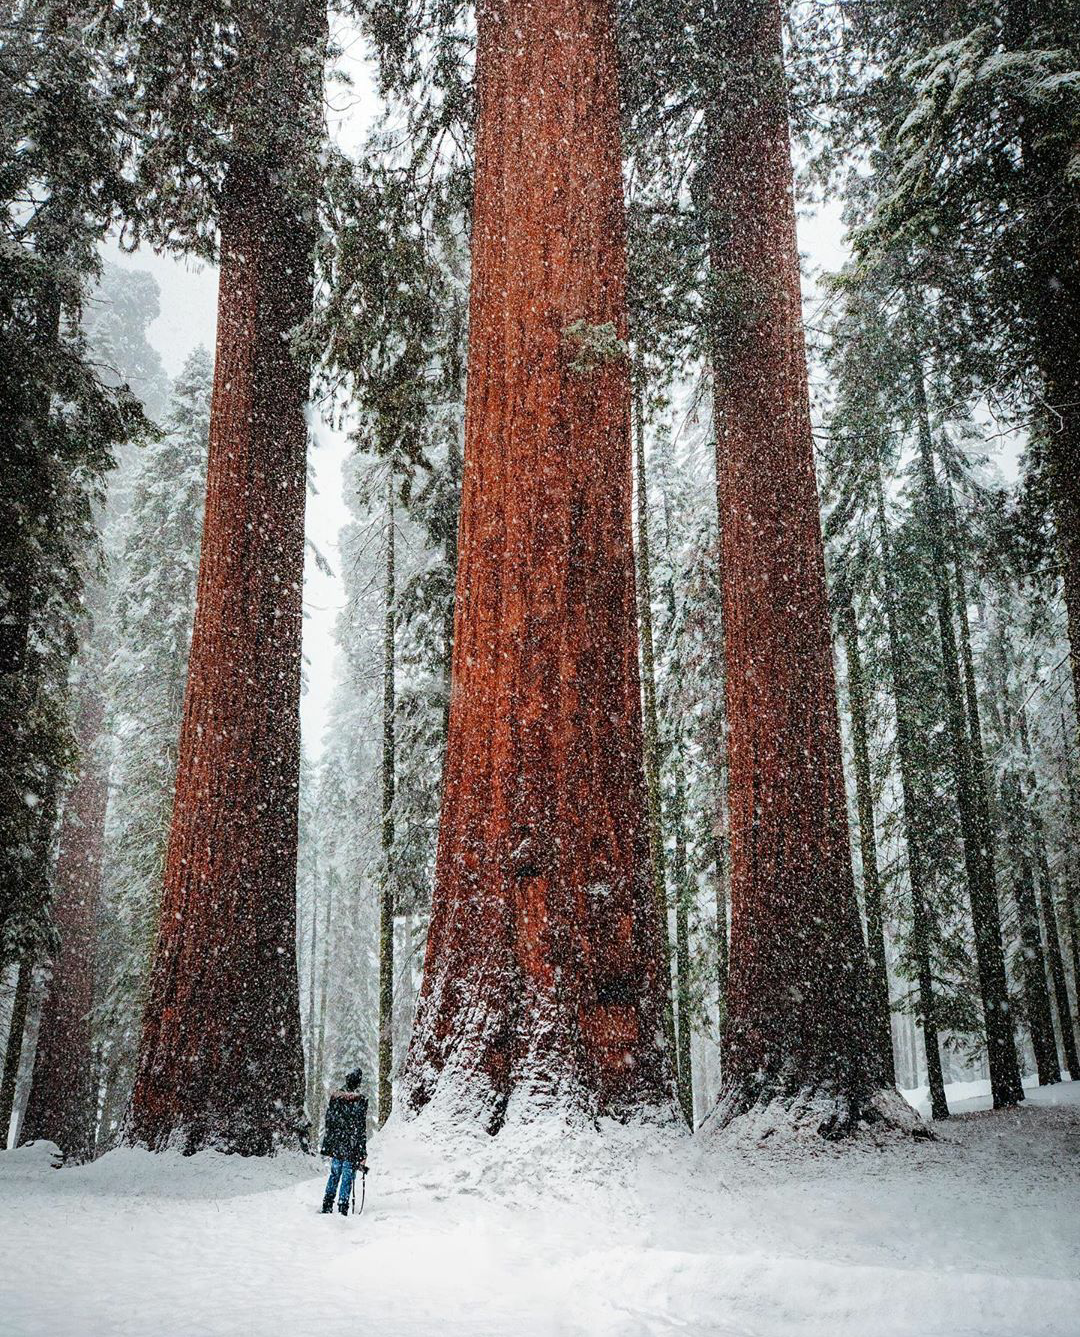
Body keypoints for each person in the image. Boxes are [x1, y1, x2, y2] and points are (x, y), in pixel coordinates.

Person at [320, 1067, 368, 1215]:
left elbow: (330, 1121)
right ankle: (342, 1206)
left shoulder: (335, 1098)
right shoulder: (360, 1100)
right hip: (351, 1145)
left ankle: (327, 1204)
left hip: (337, 1144)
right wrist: (362, 1152)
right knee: (347, 1175)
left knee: (335, 1173)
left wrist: (329, 1143)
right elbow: (360, 1128)